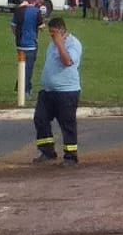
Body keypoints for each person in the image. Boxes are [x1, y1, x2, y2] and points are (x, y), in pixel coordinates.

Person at [32, 17, 84, 166]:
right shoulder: (52, 45)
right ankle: (47, 151)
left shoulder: (73, 44)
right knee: (40, 118)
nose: (51, 36)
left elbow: (67, 62)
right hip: (49, 91)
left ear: (61, 31)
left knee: (67, 124)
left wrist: (60, 43)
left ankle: (70, 156)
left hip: (67, 92)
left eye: (54, 33)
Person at [12, 0, 45, 95]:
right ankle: (25, 90)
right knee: (29, 67)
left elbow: (13, 26)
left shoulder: (18, 11)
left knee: (22, 65)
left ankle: (20, 86)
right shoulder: (36, 11)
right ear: (34, 0)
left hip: (19, 43)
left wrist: (17, 35)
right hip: (31, 43)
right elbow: (41, 26)